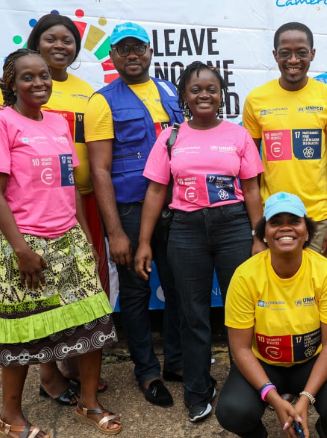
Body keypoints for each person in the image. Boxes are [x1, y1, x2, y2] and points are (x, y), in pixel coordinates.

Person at [0, 49, 120, 437]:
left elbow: (69, 184)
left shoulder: (58, 124)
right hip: (23, 245)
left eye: (44, 76)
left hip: (69, 240)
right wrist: (22, 249)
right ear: (10, 84)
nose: (38, 83)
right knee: (22, 331)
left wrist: (86, 238)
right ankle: (10, 416)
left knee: (93, 320)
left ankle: (88, 404)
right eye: (28, 77)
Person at [133, 62, 266, 422]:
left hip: (234, 226)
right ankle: (197, 389)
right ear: (184, 97)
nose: (203, 94)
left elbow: (252, 188)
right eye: (195, 89)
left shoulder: (238, 135)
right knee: (192, 315)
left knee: (242, 313)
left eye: (211, 88)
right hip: (186, 230)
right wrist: (144, 242)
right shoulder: (171, 137)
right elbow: (157, 190)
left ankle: (249, 386)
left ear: (222, 94)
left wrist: (259, 236)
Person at [85, 21, 185, 407]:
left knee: (178, 286)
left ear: (149, 51)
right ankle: (146, 371)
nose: (131, 55)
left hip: (175, 206)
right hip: (129, 209)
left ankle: (176, 362)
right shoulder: (102, 100)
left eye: (138, 47)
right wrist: (115, 233)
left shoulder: (169, 90)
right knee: (136, 292)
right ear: (112, 56)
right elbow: (99, 171)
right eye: (122, 49)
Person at [215, 192, 327, 438]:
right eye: (276, 222)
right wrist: (273, 398)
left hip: (310, 361)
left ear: (307, 231)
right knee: (233, 412)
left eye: (294, 221)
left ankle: (324, 432)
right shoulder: (245, 276)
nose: (286, 228)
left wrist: (305, 399)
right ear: (264, 233)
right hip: (264, 362)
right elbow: (240, 349)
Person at [243, 22, 327, 260]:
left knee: (318, 292)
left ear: (312, 54)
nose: (293, 60)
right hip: (274, 218)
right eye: (285, 53)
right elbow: (250, 170)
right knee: (278, 293)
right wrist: (256, 228)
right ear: (275, 55)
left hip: (320, 218)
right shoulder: (256, 99)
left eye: (301, 52)